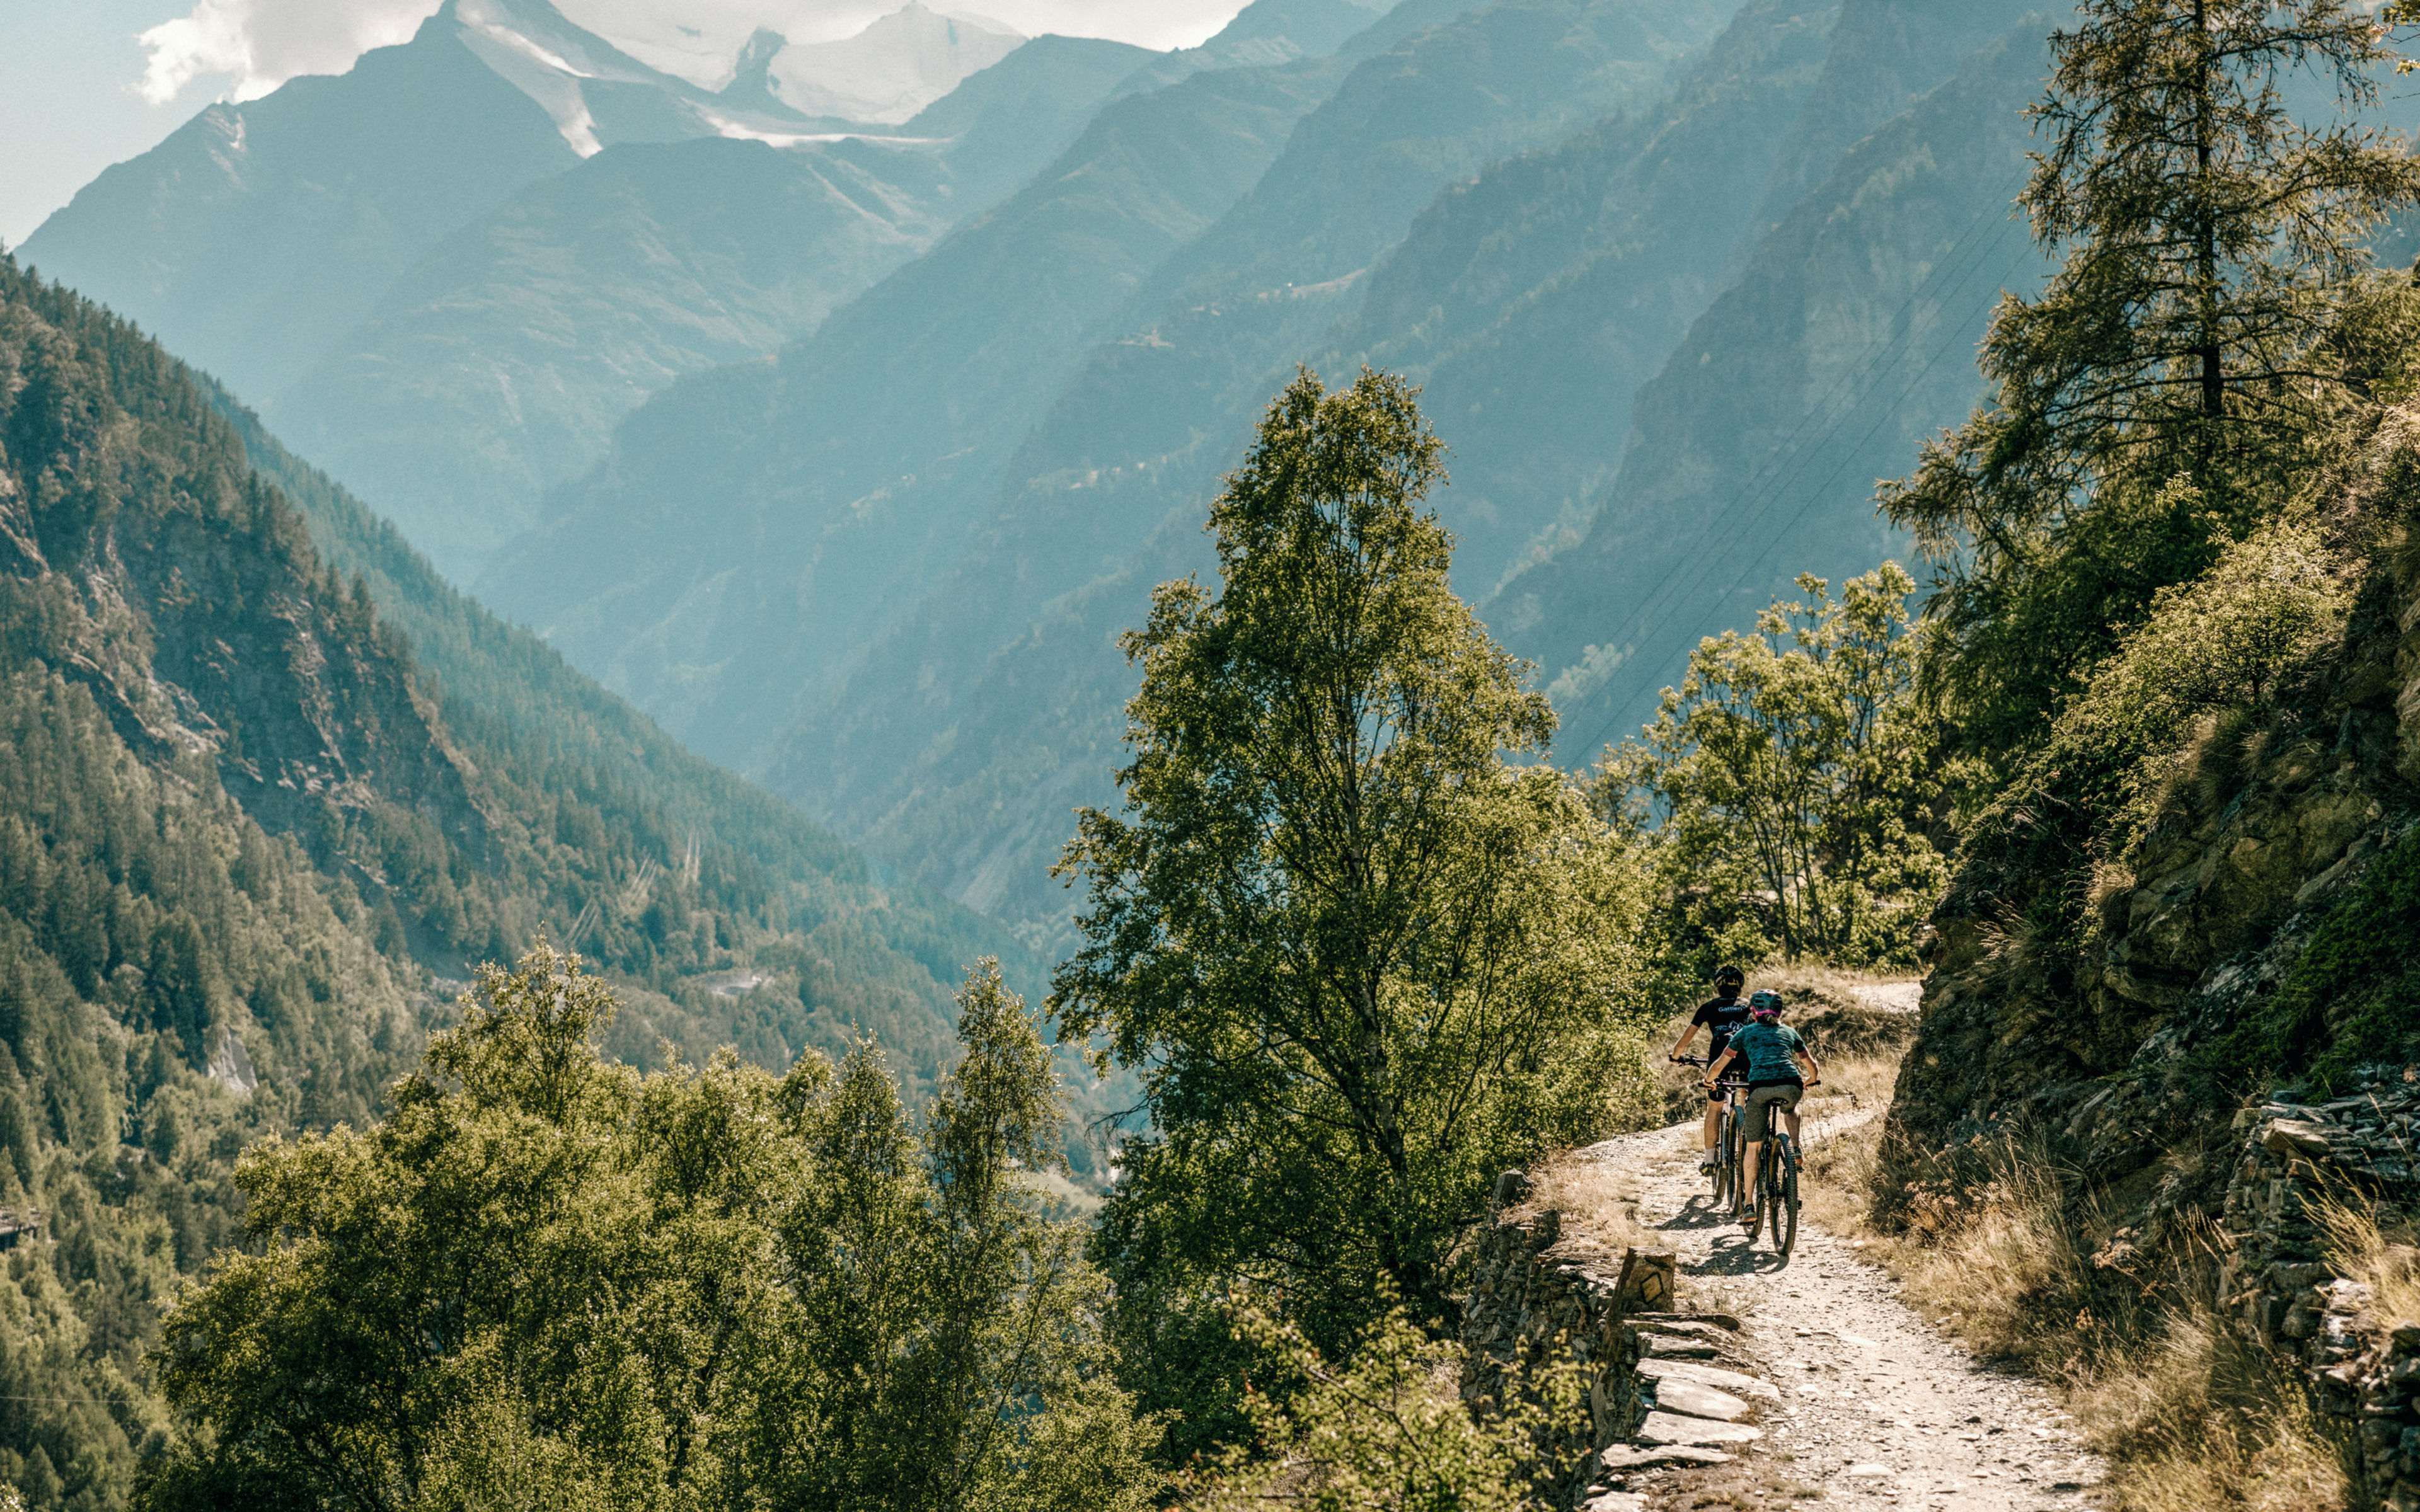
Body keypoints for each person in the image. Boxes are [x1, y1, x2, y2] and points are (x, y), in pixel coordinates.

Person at [1700, 990, 1821, 1225]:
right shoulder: (1789, 1032)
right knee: (1791, 1109)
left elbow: (1722, 1062)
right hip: (1791, 1085)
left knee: (1753, 1147)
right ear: (1780, 1012)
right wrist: (1811, 1079)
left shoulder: (1746, 1032)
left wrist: (1709, 1079)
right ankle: (1795, 1148)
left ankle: (1748, 1205)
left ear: (1753, 1012)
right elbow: (1811, 1064)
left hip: (1761, 1088)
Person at [1668, 964, 1750, 1173]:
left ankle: (1710, 1161)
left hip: (1719, 1060)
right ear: (1740, 986)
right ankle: (1746, 1140)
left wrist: (1677, 1057)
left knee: (1714, 1107)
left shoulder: (1709, 1007)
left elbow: (1683, 1043)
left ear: (1718, 986)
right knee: (1746, 1093)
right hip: (1746, 1059)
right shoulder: (1750, 1006)